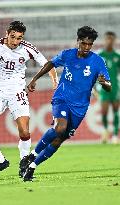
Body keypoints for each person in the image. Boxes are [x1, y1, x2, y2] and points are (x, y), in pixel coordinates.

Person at [0, 21, 58, 177]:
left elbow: (48, 64)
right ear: (7, 34)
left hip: (17, 92)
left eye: (19, 38)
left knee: (24, 130)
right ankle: (1, 161)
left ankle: (24, 163)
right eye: (13, 37)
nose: (15, 42)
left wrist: (54, 80)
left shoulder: (27, 48)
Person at [22, 26, 112, 181]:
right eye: (83, 43)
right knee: (59, 127)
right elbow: (50, 63)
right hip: (62, 98)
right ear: (78, 41)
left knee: (59, 139)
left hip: (80, 107)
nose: (86, 47)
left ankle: (32, 166)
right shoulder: (67, 55)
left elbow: (109, 86)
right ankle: (31, 155)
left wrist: (104, 83)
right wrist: (35, 79)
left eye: (89, 44)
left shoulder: (97, 61)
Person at [98, 32, 120, 144]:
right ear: (104, 40)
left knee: (116, 110)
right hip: (103, 88)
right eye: (107, 39)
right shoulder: (99, 55)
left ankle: (115, 135)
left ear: (114, 40)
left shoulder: (118, 56)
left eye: (112, 39)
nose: (109, 41)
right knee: (104, 111)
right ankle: (106, 131)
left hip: (115, 87)